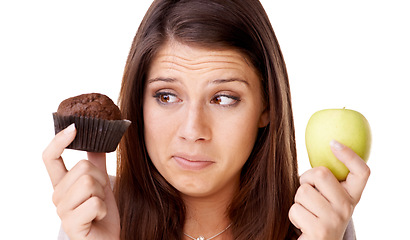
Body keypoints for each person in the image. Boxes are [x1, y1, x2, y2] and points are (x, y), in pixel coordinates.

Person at [43, 0, 370, 239]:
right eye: (167, 96)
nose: (192, 131)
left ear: (266, 107)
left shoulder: (316, 219)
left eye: (224, 98)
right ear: (137, 103)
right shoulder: (92, 211)